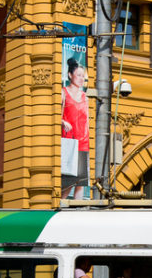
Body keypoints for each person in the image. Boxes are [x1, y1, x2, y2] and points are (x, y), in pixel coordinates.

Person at [62, 58, 89, 199]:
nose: (81, 78)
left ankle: (79, 210)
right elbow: (56, 115)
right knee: (69, 181)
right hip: (69, 142)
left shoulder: (85, 97)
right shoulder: (63, 93)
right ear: (70, 75)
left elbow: (87, 122)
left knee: (80, 182)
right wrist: (62, 122)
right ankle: (59, 204)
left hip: (83, 143)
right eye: (78, 75)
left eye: (83, 76)